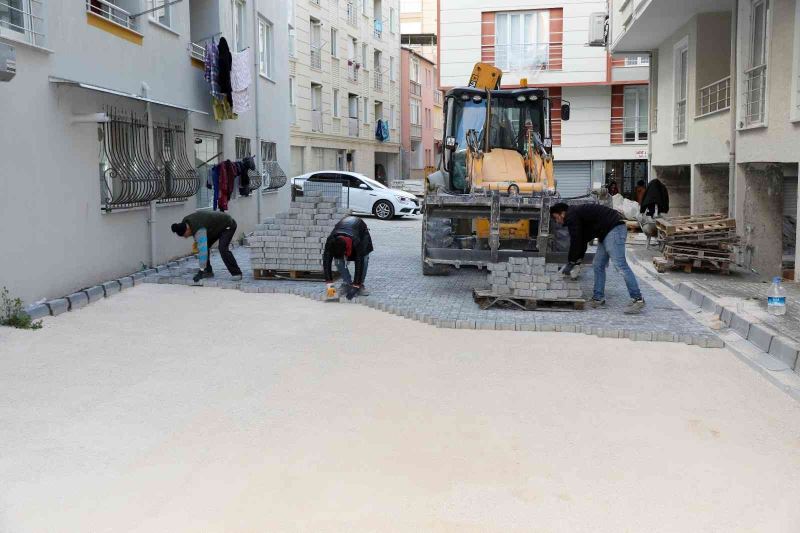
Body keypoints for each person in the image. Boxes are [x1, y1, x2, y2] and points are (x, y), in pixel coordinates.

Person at [550, 202, 645, 314]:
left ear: (562, 213)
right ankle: (598, 298)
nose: (557, 222)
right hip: (605, 232)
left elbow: (576, 241)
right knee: (598, 265)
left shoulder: (571, 215)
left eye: (556, 218)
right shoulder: (576, 214)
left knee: (620, 265)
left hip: (614, 229)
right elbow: (582, 240)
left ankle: (638, 299)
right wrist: (577, 260)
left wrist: (571, 262)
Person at [172, 210, 242, 283]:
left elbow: (203, 250)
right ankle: (208, 271)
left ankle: (236, 273)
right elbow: (200, 240)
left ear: (187, 229)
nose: (186, 237)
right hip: (215, 228)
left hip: (228, 225)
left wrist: (200, 270)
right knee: (205, 245)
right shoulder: (185, 222)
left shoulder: (199, 229)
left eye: (185, 235)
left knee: (222, 248)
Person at [323, 216, 374, 300]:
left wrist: (356, 285)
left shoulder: (357, 242)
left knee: (364, 259)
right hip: (345, 230)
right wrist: (330, 285)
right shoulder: (331, 241)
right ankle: (347, 283)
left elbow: (359, 263)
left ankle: (360, 285)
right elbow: (326, 262)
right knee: (338, 260)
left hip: (361, 231)